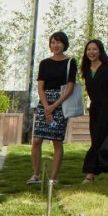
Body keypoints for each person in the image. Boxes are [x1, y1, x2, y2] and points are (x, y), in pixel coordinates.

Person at [29, 31, 77, 186]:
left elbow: (70, 87)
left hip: (61, 103)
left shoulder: (71, 62)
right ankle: (35, 175)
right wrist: (46, 107)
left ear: (64, 44)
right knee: (37, 140)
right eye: (53, 42)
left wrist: (54, 106)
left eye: (59, 42)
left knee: (57, 141)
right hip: (44, 103)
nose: (55, 45)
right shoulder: (44, 63)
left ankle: (53, 178)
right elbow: (40, 87)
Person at [79, 39, 108, 181]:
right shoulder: (86, 69)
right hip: (95, 108)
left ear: (100, 51)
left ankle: (91, 174)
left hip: (107, 108)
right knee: (98, 139)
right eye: (89, 49)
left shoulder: (107, 67)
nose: (91, 52)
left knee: (105, 139)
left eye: (94, 49)